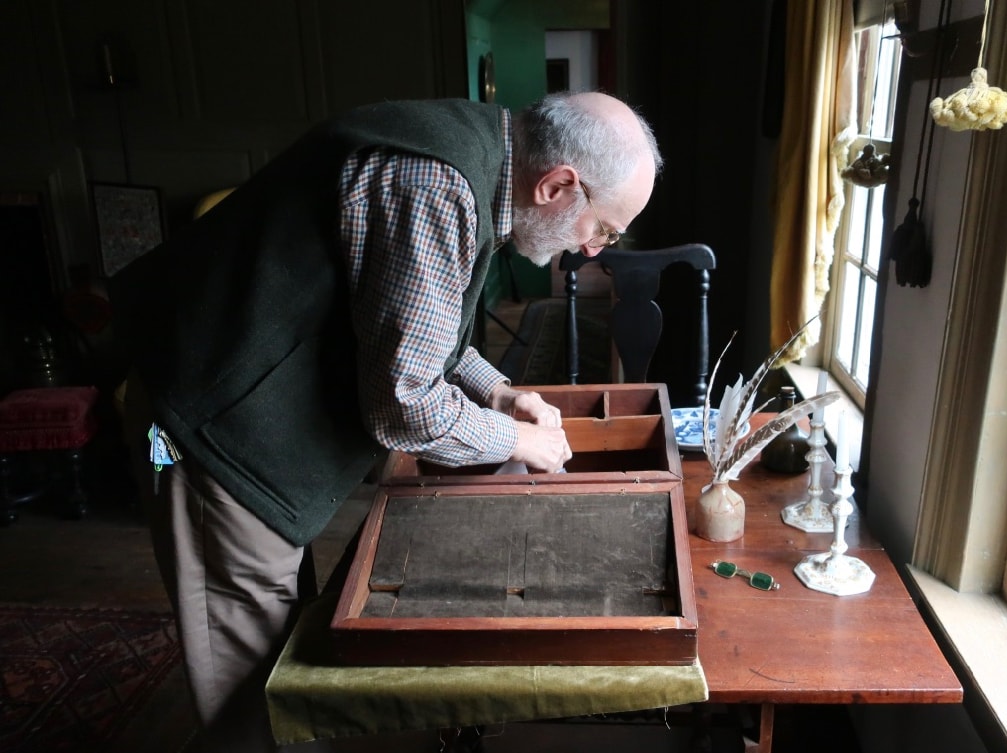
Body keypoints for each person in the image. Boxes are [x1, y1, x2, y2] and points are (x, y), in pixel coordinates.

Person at [109, 90, 662, 751]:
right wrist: (521, 440)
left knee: (278, 642)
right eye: (603, 228)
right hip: (206, 427)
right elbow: (405, 403)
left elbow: (424, 330)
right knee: (251, 686)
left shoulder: (482, 156)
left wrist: (502, 395)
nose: (595, 250)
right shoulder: (437, 185)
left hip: (236, 409)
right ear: (557, 185)